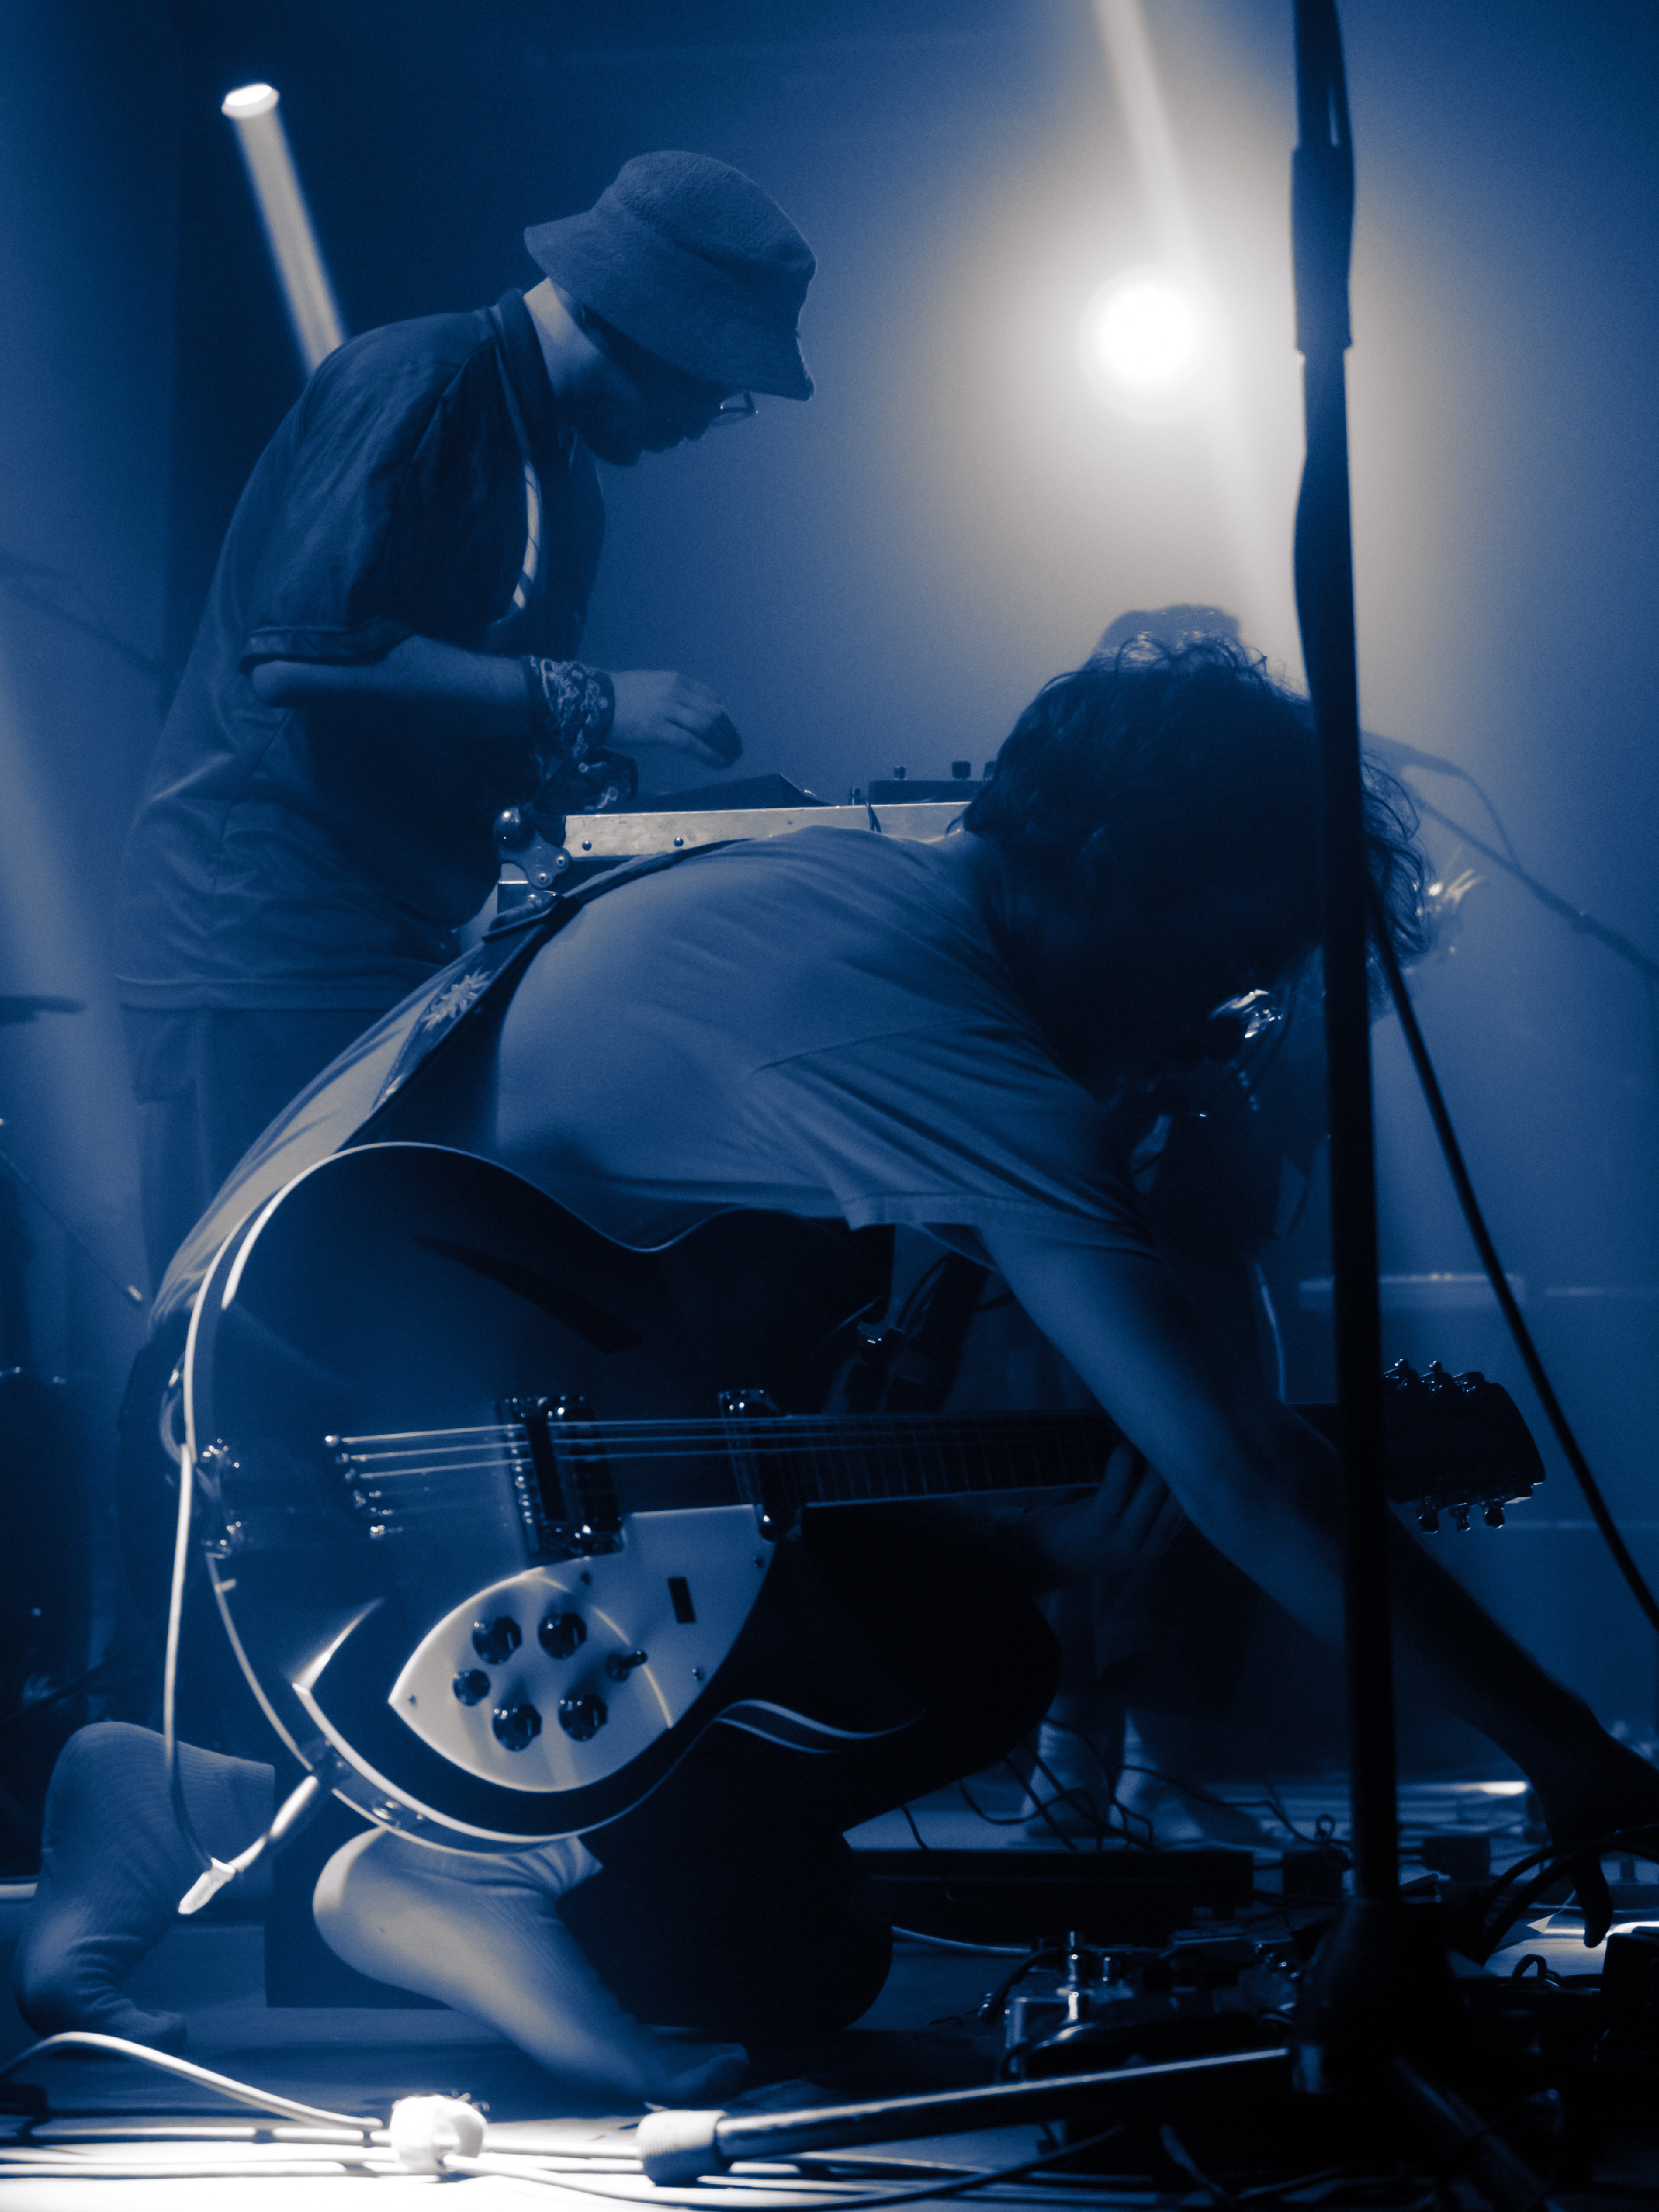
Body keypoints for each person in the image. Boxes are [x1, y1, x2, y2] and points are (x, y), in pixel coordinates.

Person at [27, 643, 1659, 2099]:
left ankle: (187, 1788)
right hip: (321, 1433)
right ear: (1106, 868)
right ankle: (468, 1868)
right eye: (1223, 966)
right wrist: (1564, 1741)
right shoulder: (960, 1050)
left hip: (249, 1394)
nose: (1213, 1027)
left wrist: (1025, 1538)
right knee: (867, 1814)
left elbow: (708, 1436)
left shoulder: (836, 892)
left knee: (821, 1916)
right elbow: (1243, 1464)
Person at [113, 150, 816, 1289]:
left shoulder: (562, 473)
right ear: (624, 315)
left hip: (374, 941)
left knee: (353, 1315)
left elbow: (454, 712)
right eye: (705, 378)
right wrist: (592, 697)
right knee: (234, 1320)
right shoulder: (423, 379)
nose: (706, 414)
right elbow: (298, 660)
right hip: (261, 938)